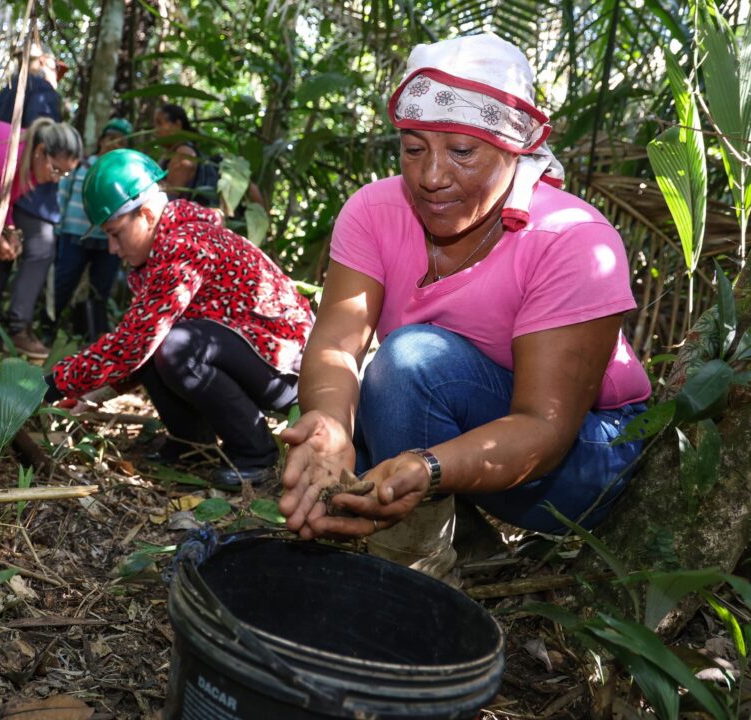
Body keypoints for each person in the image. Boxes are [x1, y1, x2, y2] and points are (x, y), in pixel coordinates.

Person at [278, 34, 651, 565]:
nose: (431, 177)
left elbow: (545, 428)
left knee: (407, 363)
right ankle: (456, 541)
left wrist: (426, 468)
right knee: (335, 454)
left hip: (582, 452)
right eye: (413, 149)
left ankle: (415, 569)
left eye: (462, 151)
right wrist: (330, 424)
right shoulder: (373, 212)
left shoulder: (571, 237)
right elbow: (337, 344)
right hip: (466, 431)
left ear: (513, 148)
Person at [43, 149, 313, 485]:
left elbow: (133, 343)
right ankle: (192, 444)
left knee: (177, 346)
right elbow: (139, 344)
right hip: (261, 363)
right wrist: (90, 395)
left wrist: (52, 385)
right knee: (164, 342)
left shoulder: (184, 245)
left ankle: (256, 453)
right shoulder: (159, 252)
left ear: (145, 214)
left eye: (114, 234)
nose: (112, 249)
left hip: (294, 373)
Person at [0, 118, 82, 357]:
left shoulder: (31, 168)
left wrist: (10, 232)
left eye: (65, 174)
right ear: (40, 152)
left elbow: (1, 198)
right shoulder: (7, 153)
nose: (57, 179)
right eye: (56, 170)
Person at [52, 118, 132, 342]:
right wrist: (57, 229)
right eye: (110, 138)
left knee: (101, 289)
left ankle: (93, 336)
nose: (114, 144)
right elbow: (63, 195)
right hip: (73, 233)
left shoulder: (126, 172)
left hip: (108, 240)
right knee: (63, 282)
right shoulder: (83, 166)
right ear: (101, 141)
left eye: (120, 140)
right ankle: (47, 327)